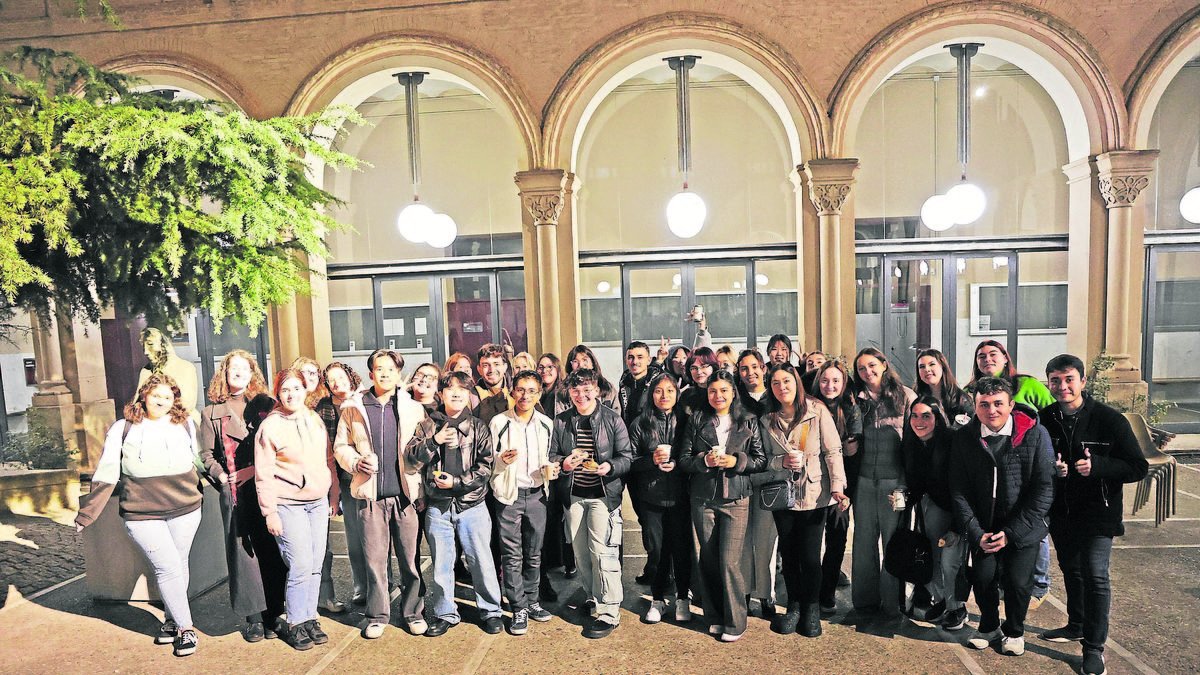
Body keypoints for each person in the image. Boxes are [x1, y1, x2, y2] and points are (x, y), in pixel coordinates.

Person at [76, 373, 206, 658]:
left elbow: (200, 460)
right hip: (142, 512)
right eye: (156, 395)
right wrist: (87, 514)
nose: (162, 401)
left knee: (178, 564)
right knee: (168, 566)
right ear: (143, 396)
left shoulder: (184, 425)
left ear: (175, 401)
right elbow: (107, 471)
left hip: (185, 508)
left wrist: (227, 486)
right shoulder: (123, 428)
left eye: (168, 396)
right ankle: (186, 629)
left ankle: (171, 621)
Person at [1038, 354, 1148, 675]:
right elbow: (1035, 460)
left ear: (1083, 382)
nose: (1062, 386)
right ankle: (1076, 624)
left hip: (1099, 512)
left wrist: (1098, 466)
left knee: (1096, 576)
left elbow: (1137, 467)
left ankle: (1094, 648)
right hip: (1062, 510)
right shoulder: (1045, 419)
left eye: (1069, 379)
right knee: (1071, 569)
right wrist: (1052, 469)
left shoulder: (1110, 420)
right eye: (1055, 380)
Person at [950, 377, 1055, 657]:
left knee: (1018, 583)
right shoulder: (964, 438)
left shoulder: (1035, 434)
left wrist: (1012, 533)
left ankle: (1015, 630)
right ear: (975, 407)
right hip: (984, 527)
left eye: (998, 403)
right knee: (982, 578)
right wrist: (975, 531)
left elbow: (1044, 489)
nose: (991, 410)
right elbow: (958, 489)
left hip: (1023, 528)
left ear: (1011, 405)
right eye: (984, 404)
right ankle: (988, 626)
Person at [333, 349, 428, 639]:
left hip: (405, 495)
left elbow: (422, 450)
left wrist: (421, 486)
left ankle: (413, 612)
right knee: (375, 560)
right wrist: (354, 462)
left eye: (390, 368)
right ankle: (377, 615)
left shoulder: (412, 407)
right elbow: (340, 446)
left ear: (399, 373)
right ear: (371, 373)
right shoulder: (354, 406)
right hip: (370, 496)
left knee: (411, 560)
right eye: (379, 368)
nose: (385, 373)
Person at [405, 371, 505, 637]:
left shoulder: (478, 426)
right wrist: (434, 442)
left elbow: (485, 466)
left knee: (481, 561)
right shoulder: (427, 425)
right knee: (441, 563)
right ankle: (445, 612)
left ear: (469, 394)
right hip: (438, 506)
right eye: (450, 389)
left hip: (471, 504)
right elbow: (412, 456)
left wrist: (457, 483)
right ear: (441, 393)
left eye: (462, 389)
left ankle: (491, 610)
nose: (456, 393)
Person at [197, 350, 287, 642]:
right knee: (244, 556)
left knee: (271, 550)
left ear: (252, 374)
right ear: (224, 373)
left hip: (266, 486)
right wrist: (221, 476)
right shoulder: (211, 412)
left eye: (244, 368)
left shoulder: (266, 405)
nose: (238, 372)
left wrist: (252, 470)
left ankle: (274, 611)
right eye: (232, 368)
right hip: (235, 492)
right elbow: (206, 455)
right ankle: (253, 618)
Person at [759, 362, 848, 637]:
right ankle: (794, 606)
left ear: (796, 382)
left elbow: (833, 451)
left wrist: (838, 486)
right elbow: (761, 457)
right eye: (775, 383)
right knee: (789, 553)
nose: (782, 387)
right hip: (782, 495)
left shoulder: (816, 410)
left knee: (810, 556)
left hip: (813, 494)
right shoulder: (766, 417)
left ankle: (811, 609)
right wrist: (780, 461)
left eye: (786, 381)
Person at [679, 370, 767, 642]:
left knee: (729, 561)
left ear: (733, 392)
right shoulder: (697, 419)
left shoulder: (749, 421)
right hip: (703, 498)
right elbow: (683, 459)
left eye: (724, 391)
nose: (718, 396)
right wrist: (703, 461)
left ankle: (736, 621)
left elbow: (760, 460)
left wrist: (736, 462)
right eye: (713, 391)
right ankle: (714, 617)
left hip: (736, 499)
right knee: (707, 559)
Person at [967, 339, 1055, 608]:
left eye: (993, 354)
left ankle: (1038, 585)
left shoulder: (1027, 384)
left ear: (1006, 358)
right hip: (990, 469)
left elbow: (1052, 416)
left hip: (1028, 464)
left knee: (1031, 528)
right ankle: (1007, 583)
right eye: (981, 356)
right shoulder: (970, 390)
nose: (987, 359)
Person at [550, 368, 634, 639]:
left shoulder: (612, 419)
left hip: (602, 496)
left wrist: (608, 466)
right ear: (570, 393)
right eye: (576, 390)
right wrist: (564, 463)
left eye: (587, 389)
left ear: (597, 390)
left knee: (603, 552)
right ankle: (593, 596)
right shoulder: (562, 421)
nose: (581, 395)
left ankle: (610, 611)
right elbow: (553, 454)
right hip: (573, 496)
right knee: (581, 552)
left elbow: (627, 457)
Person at [255, 368, 334, 651]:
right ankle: (296, 621)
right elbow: (263, 473)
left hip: (317, 502)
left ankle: (310, 617)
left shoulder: (314, 420)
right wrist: (270, 512)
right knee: (299, 563)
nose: (291, 394)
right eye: (285, 389)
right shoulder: (271, 426)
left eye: (296, 388)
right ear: (278, 393)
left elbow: (327, 459)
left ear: (305, 390)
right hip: (288, 504)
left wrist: (332, 493)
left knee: (315, 564)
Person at [489, 370, 556, 635]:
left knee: (534, 551)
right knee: (512, 554)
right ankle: (518, 606)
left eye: (531, 390)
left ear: (539, 394)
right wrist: (500, 460)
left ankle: (532, 601)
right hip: (509, 495)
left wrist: (551, 468)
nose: (525, 395)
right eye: (520, 389)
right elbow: (487, 460)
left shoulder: (545, 423)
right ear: (512, 391)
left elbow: (551, 456)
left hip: (538, 493)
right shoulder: (498, 422)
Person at [851, 347, 916, 617]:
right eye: (862, 368)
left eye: (872, 365)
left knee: (893, 544)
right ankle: (865, 602)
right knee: (864, 542)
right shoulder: (857, 399)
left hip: (895, 483)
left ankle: (892, 603)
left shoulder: (905, 396)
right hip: (865, 482)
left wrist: (905, 484)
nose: (868, 372)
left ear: (884, 364)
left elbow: (913, 445)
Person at [628, 371, 693, 624]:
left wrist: (677, 462)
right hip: (651, 497)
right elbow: (630, 461)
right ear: (650, 394)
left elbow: (694, 455)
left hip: (681, 496)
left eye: (669, 390)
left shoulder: (687, 421)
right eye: (658, 390)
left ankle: (683, 598)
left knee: (681, 549)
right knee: (656, 550)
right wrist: (650, 461)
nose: (663, 395)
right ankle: (657, 599)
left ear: (677, 394)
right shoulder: (640, 423)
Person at [899, 396, 968, 630]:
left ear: (937, 418)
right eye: (915, 416)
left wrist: (959, 524)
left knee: (950, 560)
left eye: (926, 416)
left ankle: (957, 607)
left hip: (955, 508)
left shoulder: (952, 440)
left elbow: (963, 484)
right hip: (928, 508)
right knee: (932, 558)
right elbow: (915, 483)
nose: (919, 421)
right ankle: (942, 602)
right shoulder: (911, 443)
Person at [811, 360, 862, 613]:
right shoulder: (808, 406)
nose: (829, 386)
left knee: (837, 539)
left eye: (835, 381)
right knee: (810, 541)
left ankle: (827, 592)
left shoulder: (850, 409)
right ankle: (810, 591)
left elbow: (853, 453)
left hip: (841, 486)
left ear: (843, 384)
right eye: (824, 380)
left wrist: (846, 491)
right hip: (812, 484)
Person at [315, 362, 367, 608]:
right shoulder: (324, 407)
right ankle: (361, 587)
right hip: (344, 480)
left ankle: (382, 584)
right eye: (331, 379)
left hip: (369, 478)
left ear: (350, 375)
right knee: (354, 538)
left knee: (375, 537)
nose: (337, 382)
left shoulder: (366, 400)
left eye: (341, 376)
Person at [618, 340, 662, 584]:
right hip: (632, 456)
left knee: (652, 517)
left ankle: (659, 570)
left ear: (648, 359)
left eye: (639, 357)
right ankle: (654, 566)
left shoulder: (656, 383)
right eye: (631, 357)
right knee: (642, 516)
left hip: (651, 455)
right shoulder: (624, 383)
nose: (635, 361)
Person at [914, 349, 974, 428]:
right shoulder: (915, 397)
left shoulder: (962, 400)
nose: (927, 369)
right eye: (922, 367)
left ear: (942, 366)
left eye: (931, 364)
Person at [565, 344, 622, 415]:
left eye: (585, 360)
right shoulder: (563, 391)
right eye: (575, 361)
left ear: (592, 363)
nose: (581, 365)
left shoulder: (607, 387)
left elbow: (616, 415)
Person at [474, 343, 514, 425]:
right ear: (479, 369)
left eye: (496, 364)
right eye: (486, 365)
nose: (491, 370)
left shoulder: (517, 392)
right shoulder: (472, 397)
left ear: (505, 367)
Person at [679, 347, 719, 417]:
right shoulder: (686, 396)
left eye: (703, 366)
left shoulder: (721, 393)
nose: (699, 372)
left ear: (713, 367)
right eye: (694, 368)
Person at [736, 348, 769, 417]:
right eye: (744, 369)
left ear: (763, 369)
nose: (750, 373)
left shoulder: (774, 396)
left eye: (754, 367)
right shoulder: (736, 399)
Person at [536, 352, 569, 419]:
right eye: (541, 367)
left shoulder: (564, 394)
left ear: (557, 369)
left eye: (549, 367)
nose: (544, 371)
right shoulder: (535, 394)